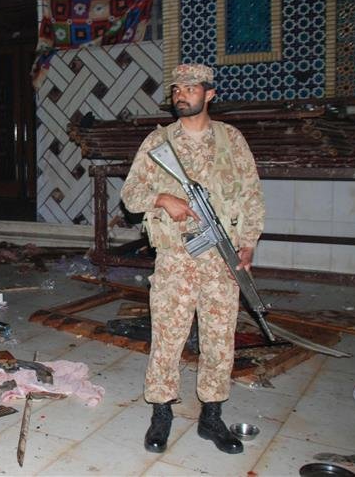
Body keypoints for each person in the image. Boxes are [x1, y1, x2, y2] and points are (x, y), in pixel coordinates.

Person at [120, 63, 265, 455]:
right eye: (176, 89)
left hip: (221, 258)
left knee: (219, 339)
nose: (180, 95)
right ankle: (161, 413)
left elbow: (251, 195)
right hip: (175, 260)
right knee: (167, 338)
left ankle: (211, 416)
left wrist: (248, 244)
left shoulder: (232, 140)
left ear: (210, 94)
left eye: (190, 88)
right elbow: (130, 195)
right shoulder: (158, 142)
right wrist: (162, 199)